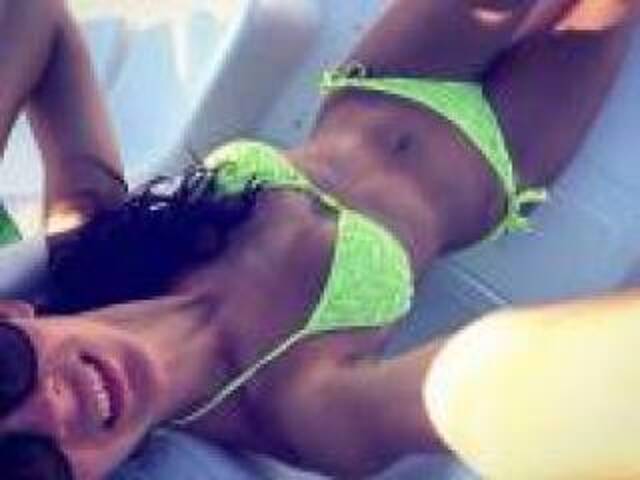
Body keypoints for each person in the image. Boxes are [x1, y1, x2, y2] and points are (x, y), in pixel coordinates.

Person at [0, 0, 637, 478]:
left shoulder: (93, 240)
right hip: (500, 160)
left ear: (10, 314)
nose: (52, 409)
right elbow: (483, 385)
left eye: (3, 373)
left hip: (389, 78)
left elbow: (32, 15)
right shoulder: (305, 417)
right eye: (22, 467)